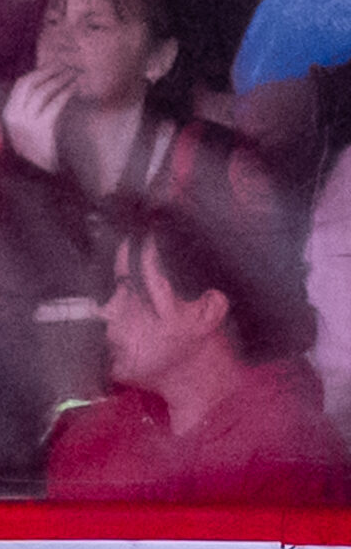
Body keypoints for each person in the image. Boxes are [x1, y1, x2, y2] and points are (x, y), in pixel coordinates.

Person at [0, 0, 288, 488]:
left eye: (94, 25)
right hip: (32, 467)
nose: (62, 41)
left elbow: (261, 331)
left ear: (158, 59)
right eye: (52, 21)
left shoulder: (215, 167)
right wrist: (22, 177)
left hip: (192, 461)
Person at [49, 204, 351, 503]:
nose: (107, 311)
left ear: (207, 311)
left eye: (131, 290)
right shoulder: (95, 440)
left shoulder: (289, 458)